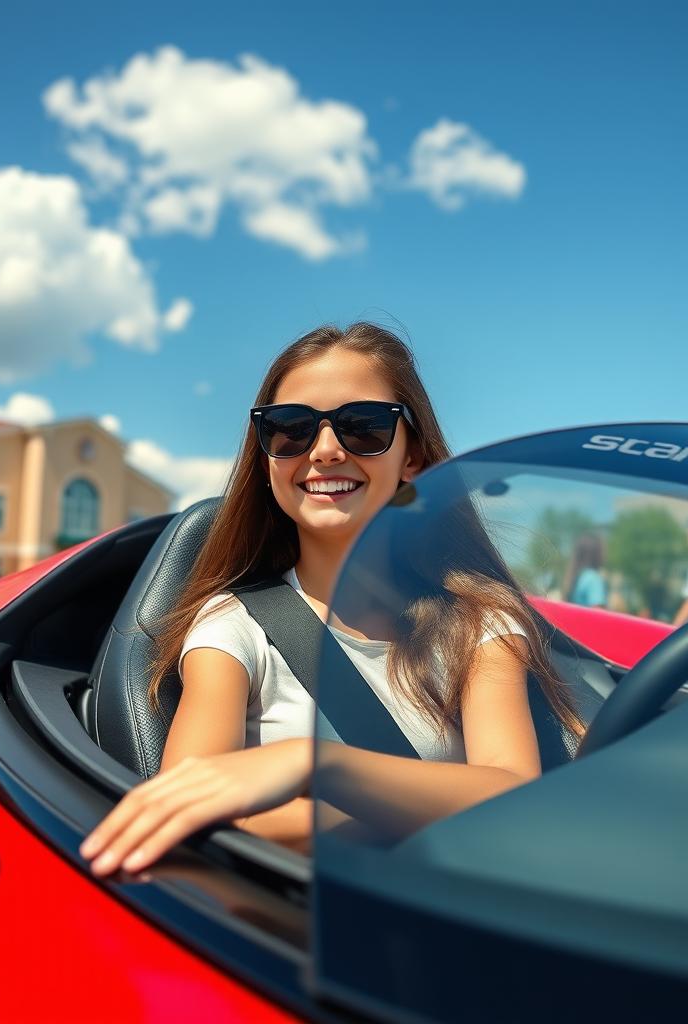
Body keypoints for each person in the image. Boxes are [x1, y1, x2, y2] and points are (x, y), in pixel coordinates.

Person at [81, 322, 582, 876]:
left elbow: (510, 796)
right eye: (290, 429)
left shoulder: (480, 624)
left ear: (412, 457)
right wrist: (417, 807)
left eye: (363, 427)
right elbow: (192, 811)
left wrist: (316, 769)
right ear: (267, 455)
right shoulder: (233, 628)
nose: (324, 451)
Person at [564, 533, 608, 608]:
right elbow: (598, 614)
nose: (605, 555)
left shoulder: (578, 577)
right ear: (596, 554)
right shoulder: (593, 579)